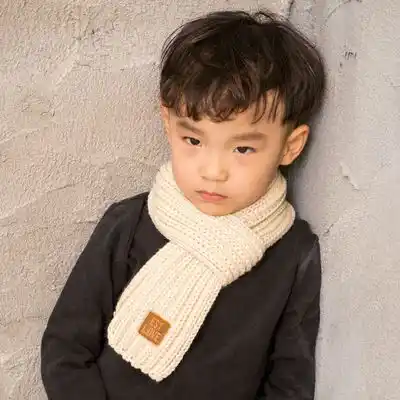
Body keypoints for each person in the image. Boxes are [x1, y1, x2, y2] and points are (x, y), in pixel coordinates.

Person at [41, 9, 325, 400]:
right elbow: (65, 348)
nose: (213, 171)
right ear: (167, 123)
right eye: (193, 141)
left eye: (243, 148)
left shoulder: (293, 254)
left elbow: (289, 382)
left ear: (290, 146)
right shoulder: (129, 223)